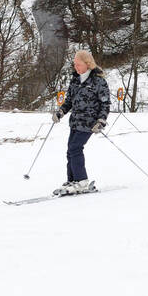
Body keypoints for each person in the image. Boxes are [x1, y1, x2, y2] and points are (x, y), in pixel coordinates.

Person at [52, 50, 110, 195]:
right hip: (75, 122)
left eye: (79, 64)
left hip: (90, 123)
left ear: (87, 63)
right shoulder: (75, 80)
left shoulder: (98, 81)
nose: (76, 67)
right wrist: (60, 112)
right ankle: (72, 180)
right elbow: (69, 101)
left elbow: (105, 104)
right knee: (70, 149)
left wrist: (101, 121)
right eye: (75, 64)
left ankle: (82, 181)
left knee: (75, 148)